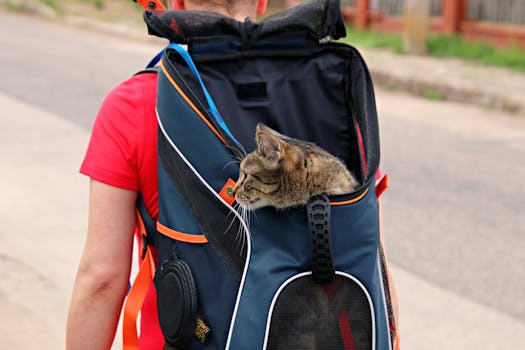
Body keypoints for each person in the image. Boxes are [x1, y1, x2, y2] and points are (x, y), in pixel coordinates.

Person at [66, 1, 268, 349]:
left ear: (175, 5)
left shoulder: (134, 104)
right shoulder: (325, 95)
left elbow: (101, 279)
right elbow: (373, 259)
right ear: (262, 2)